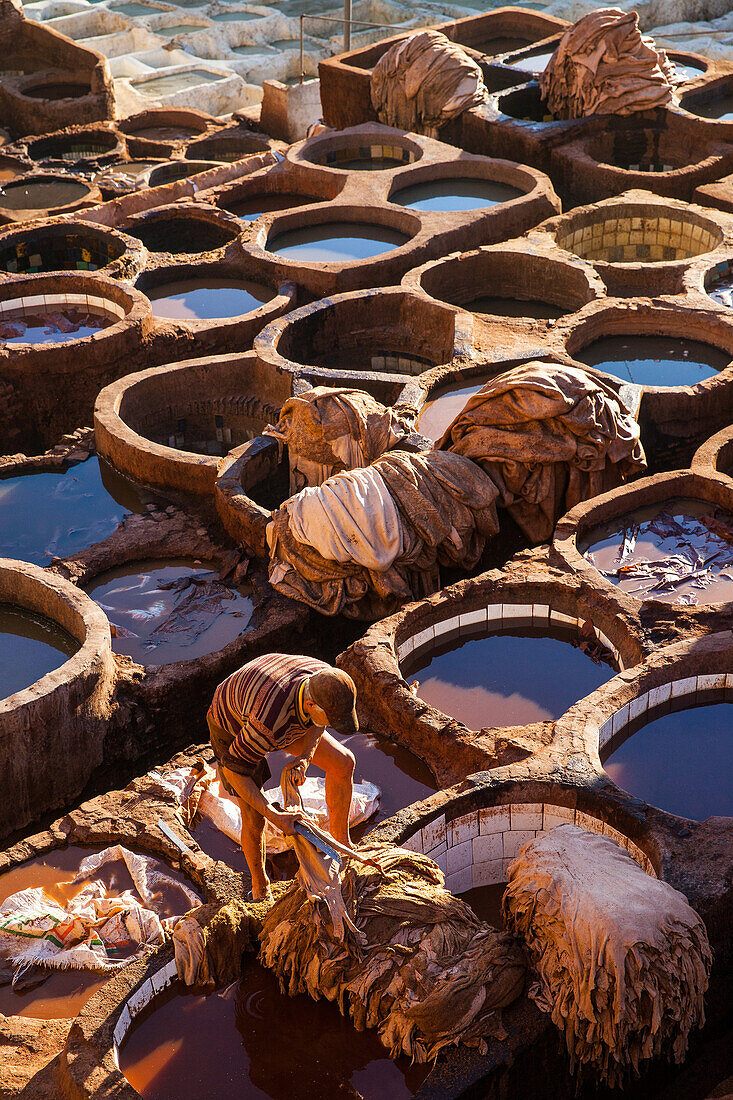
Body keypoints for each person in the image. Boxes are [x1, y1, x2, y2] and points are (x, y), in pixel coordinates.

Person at [207, 652, 359, 900]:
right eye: (331, 720)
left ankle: (342, 845)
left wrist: (306, 757)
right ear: (311, 705)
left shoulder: (325, 678)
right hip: (231, 722)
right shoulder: (269, 721)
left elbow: (317, 724)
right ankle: (260, 887)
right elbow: (234, 772)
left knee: (343, 762)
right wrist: (276, 816)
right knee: (255, 817)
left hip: (277, 702)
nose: (331, 726)